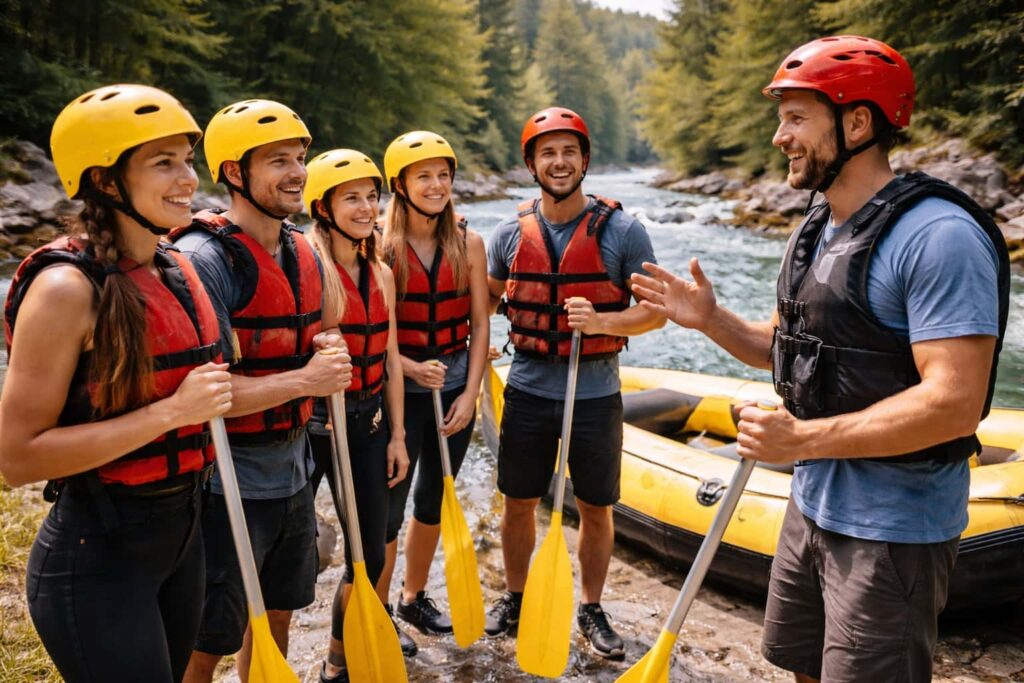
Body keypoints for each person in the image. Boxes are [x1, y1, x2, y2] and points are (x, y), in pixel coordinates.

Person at [631, 36, 1009, 683]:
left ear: (858, 122)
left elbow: (954, 403)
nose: (780, 136)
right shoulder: (817, 228)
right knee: (802, 671)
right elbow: (784, 348)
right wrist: (710, 319)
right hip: (812, 506)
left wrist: (801, 436)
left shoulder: (939, 238)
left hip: (893, 530)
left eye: (796, 117)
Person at [0, 84, 232, 682]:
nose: (189, 178)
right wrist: (171, 414)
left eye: (187, 159)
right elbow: (17, 458)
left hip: (182, 542)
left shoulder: (176, 269)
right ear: (105, 181)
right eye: (164, 163)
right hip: (97, 560)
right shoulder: (65, 290)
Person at [173, 100, 353, 683]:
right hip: (227, 478)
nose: (298, 171)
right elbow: (207, 395)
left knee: (277, 610)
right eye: (278, 160)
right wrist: (308, 379)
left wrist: (327, 346)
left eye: (299, 158)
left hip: (293, 468)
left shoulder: (302, 247)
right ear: (233, 173)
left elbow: (325, 322)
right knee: (211, 633)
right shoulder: (205, 258)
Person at [485, 107, 665, 659]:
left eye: (569, 152)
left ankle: (590, 606)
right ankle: (517, 599)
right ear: (531, 164)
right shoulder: (508, 234)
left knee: (595, 506)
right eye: (547, 153)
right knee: (518, 503)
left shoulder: (624, 231)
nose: (559, 162)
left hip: (594, 395)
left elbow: (656, 313)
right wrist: (473, 348)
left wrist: (604, 321)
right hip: (529, 390)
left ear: (584, 160)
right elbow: (485, 303)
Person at [375, 130, 490, 647]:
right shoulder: (377, 244)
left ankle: (413, 597)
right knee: (389, 511)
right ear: (400, 184)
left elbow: (482, 324)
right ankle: (378, 611)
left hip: (456, 388)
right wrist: (409, 368)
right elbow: (371, 332)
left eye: (444, 175)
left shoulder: (468, 242)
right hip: (398, 393)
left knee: (432, 499)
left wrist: (472, 395)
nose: (437, 185)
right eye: (424, 176)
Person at [303, 148, 409, 682]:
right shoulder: (307, 267)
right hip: (311, 428)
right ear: (323, 206)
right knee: (290, 563)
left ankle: (337, 661)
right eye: (353, 199)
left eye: (372, 197)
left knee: (368, 553)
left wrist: (398, 434)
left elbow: (389, 359)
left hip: (366, 423)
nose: (368, 208)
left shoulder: (382, 274)